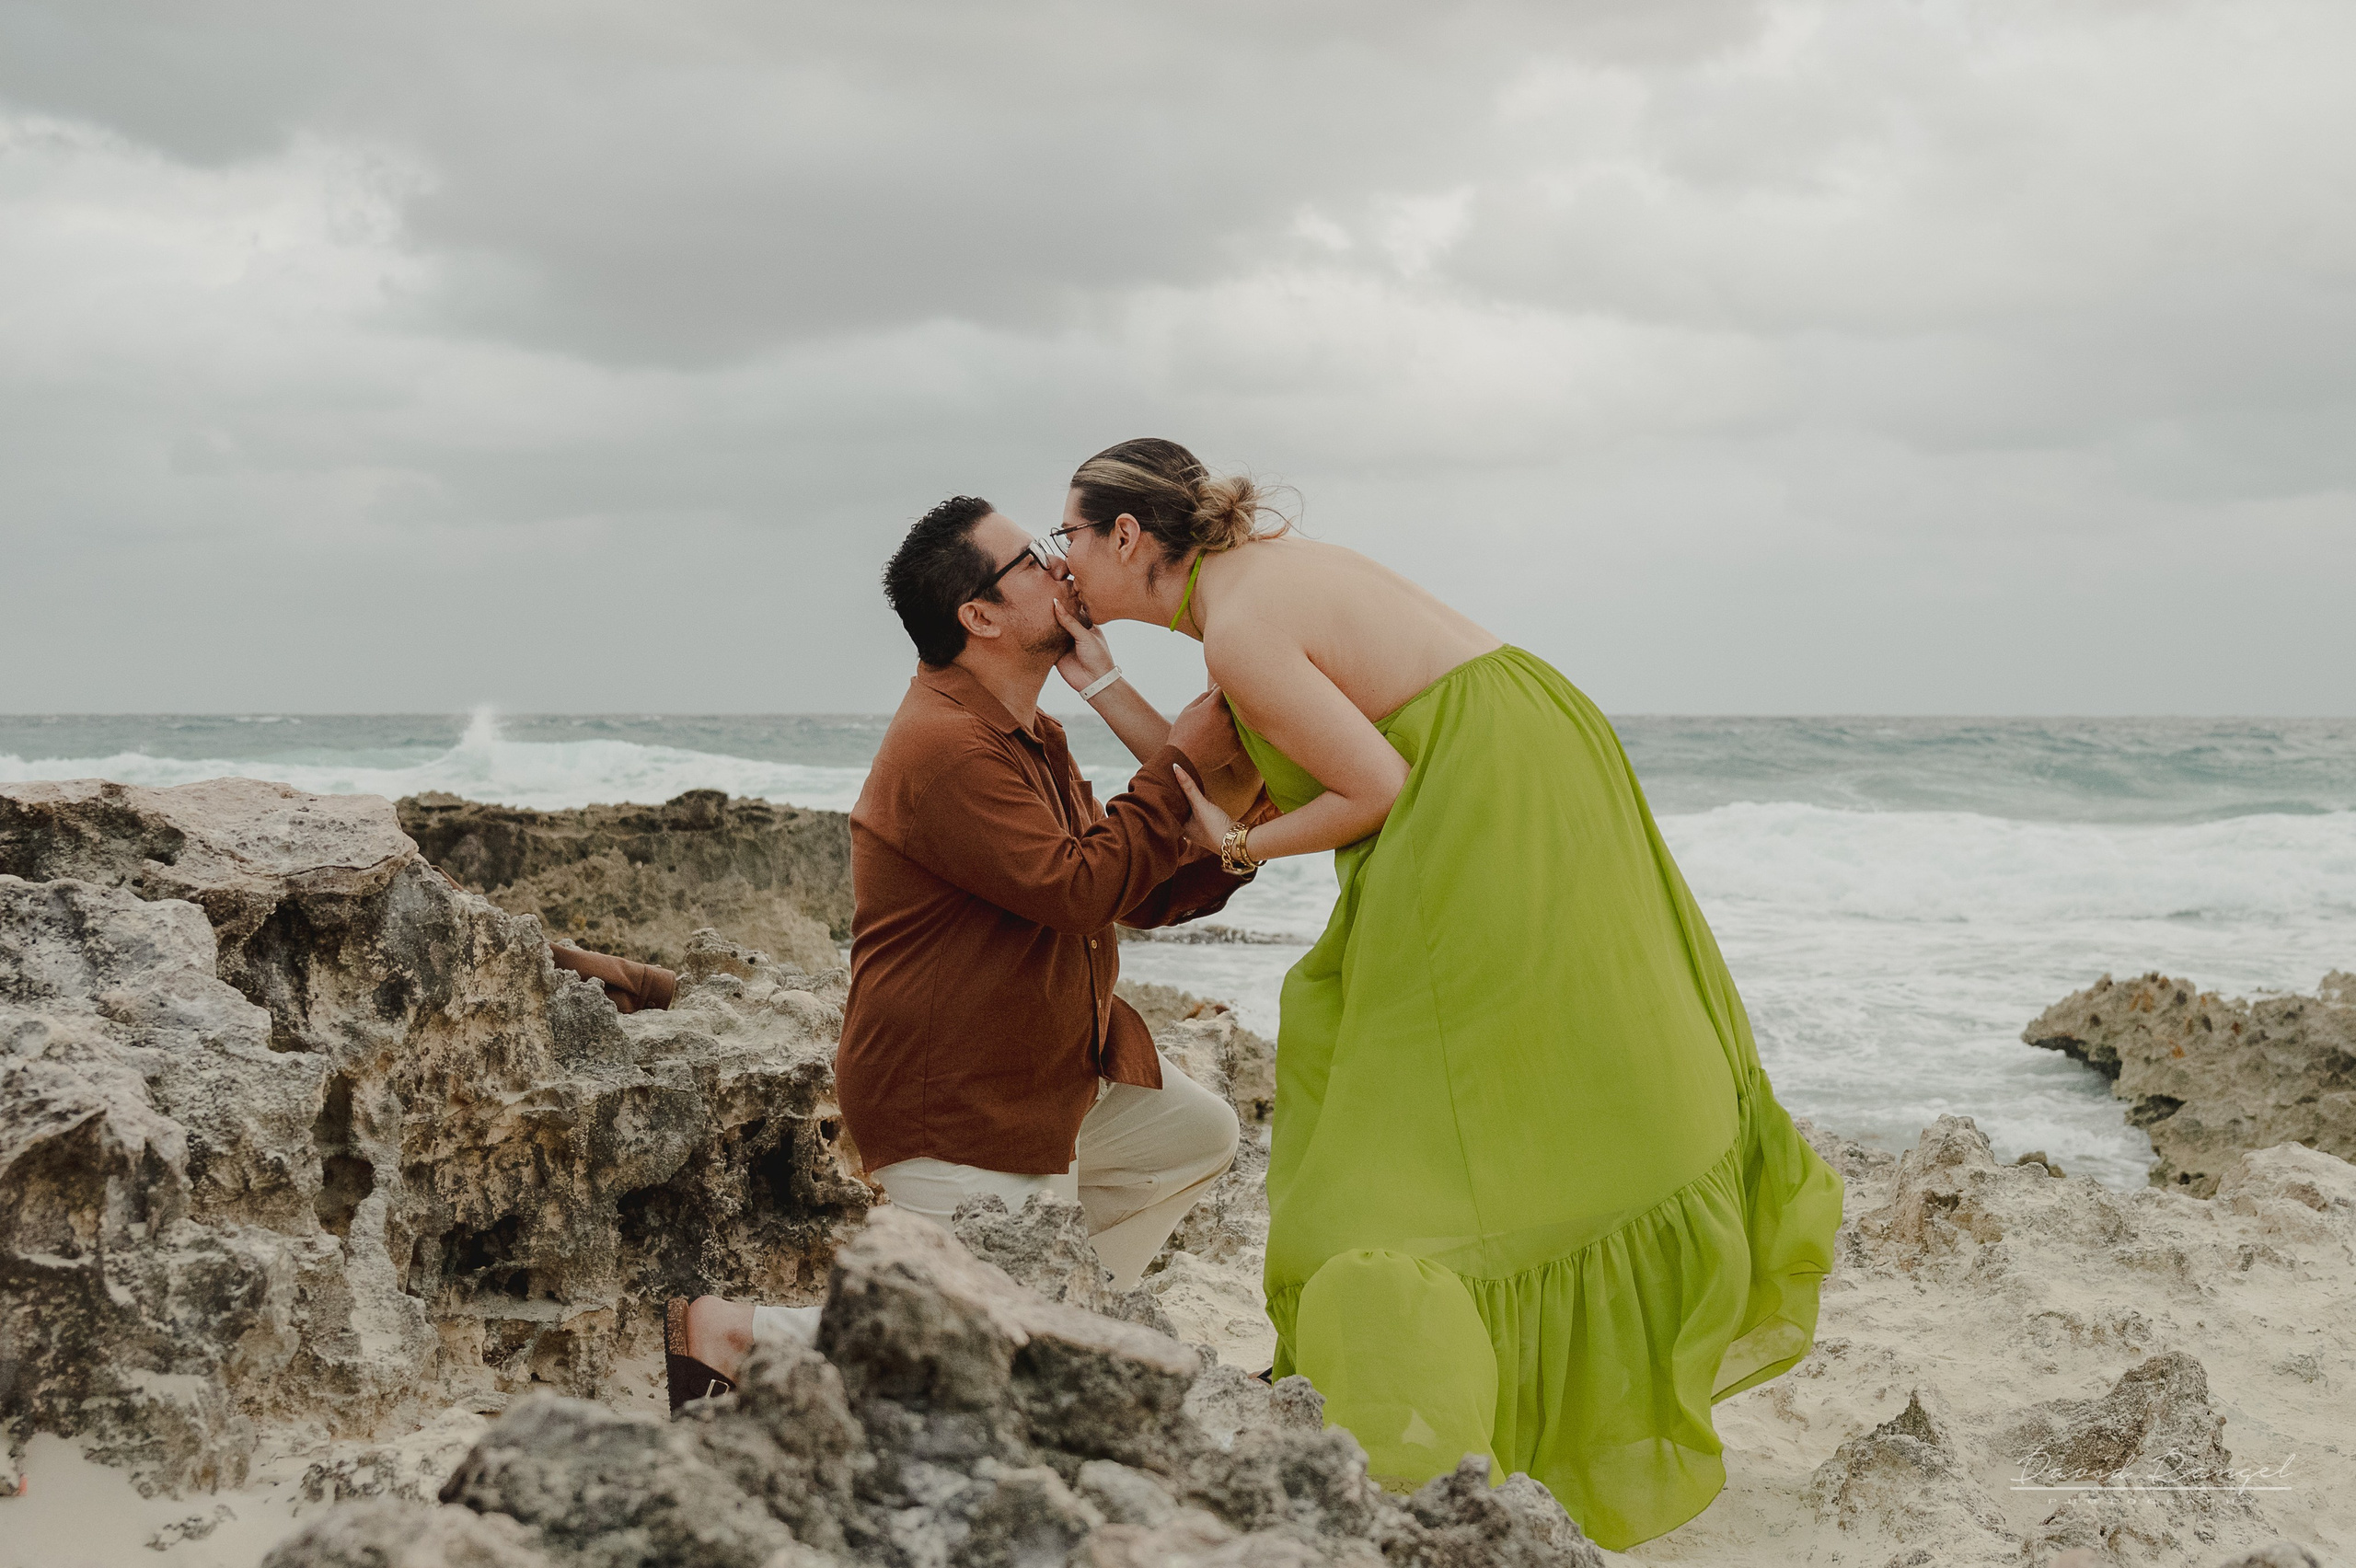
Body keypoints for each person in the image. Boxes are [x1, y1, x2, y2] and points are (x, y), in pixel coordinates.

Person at [1045, 438, 1846, 1551]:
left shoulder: (1238, 623)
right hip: (1525, 755)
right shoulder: (1251, 586)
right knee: (1480, 1072)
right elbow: (1211, 764)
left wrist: (1241, 850)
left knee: (1416, 1094)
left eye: (1068, 536)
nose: (1060, 559)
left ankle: (1412, 1387)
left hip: (1480, 799)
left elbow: (1369, 785)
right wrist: (1101, 684)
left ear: (1126, 536)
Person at [664, 494, 1268, 1412]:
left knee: (1193, 1132)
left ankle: (1052, 1307)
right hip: (956, 1095)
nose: (1060, 563)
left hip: (1043, 1077)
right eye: (1030, 557)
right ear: (979, 615)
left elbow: (1123, 884)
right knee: (963, 1355)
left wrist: (1225, 843)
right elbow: (1075, 890)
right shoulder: (946, 744)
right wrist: (1174, 757)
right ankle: (730, 1330)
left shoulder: (1030, 733)